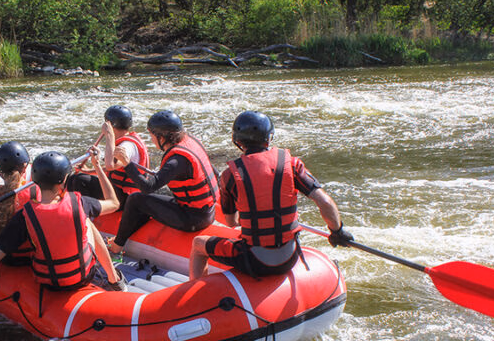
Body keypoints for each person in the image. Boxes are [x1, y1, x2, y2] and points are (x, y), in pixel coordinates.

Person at [189, 111, 354, 280]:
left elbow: (232, 222)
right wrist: (337, 231)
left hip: (254, 261)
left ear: (237, 141)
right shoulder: (292, 164)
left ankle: (195, 290)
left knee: (198, 244)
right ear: (269, 137)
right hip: (290, 258)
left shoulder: (229, 175)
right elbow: (325, 202)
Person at [0, 150, 127, 291]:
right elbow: (114, 203)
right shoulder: (80, 203)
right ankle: (113, 279)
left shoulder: (25, 215)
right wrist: (97, 166)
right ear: (64, 180)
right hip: (83, 276)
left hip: (49, 283)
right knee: (86, 220)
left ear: (35, 180)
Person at [108, 110, 218, 254]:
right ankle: (128, 232)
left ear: (161, 137)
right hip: (209, 211)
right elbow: (215, 173)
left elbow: (148, 187)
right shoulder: (190, 143)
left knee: (135, 199)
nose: (152, 140)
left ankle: (117, 246)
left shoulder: (176, 161)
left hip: (193, 220)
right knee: (152, 197)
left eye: (152, 136)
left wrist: (127, 163)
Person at [67, 105, 150, 208]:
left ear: (108, 123)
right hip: (120, 192)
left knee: (79, 180)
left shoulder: (127, 145)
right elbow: (116, 167)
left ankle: (83, 213)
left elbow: (110, 166)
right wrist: (90, 171)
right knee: (73, 179)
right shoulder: (126, 141)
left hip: (125, 197)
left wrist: (109, 135)